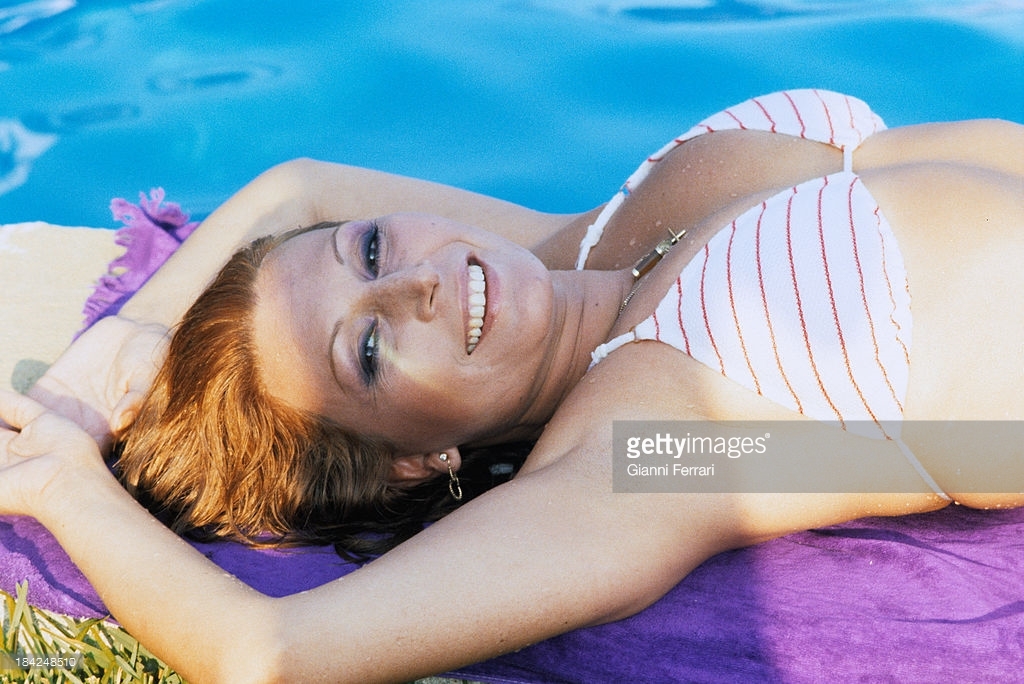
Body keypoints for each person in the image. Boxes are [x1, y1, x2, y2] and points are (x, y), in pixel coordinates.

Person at [1, 90, 1023, 683]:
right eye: (368, 349)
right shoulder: (643, 457)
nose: (416, 283)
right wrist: (61, 483)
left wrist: (131, 333)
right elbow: (270, 655)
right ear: (419, 460)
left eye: (368, 251)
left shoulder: (585, 238)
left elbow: (296, 184)